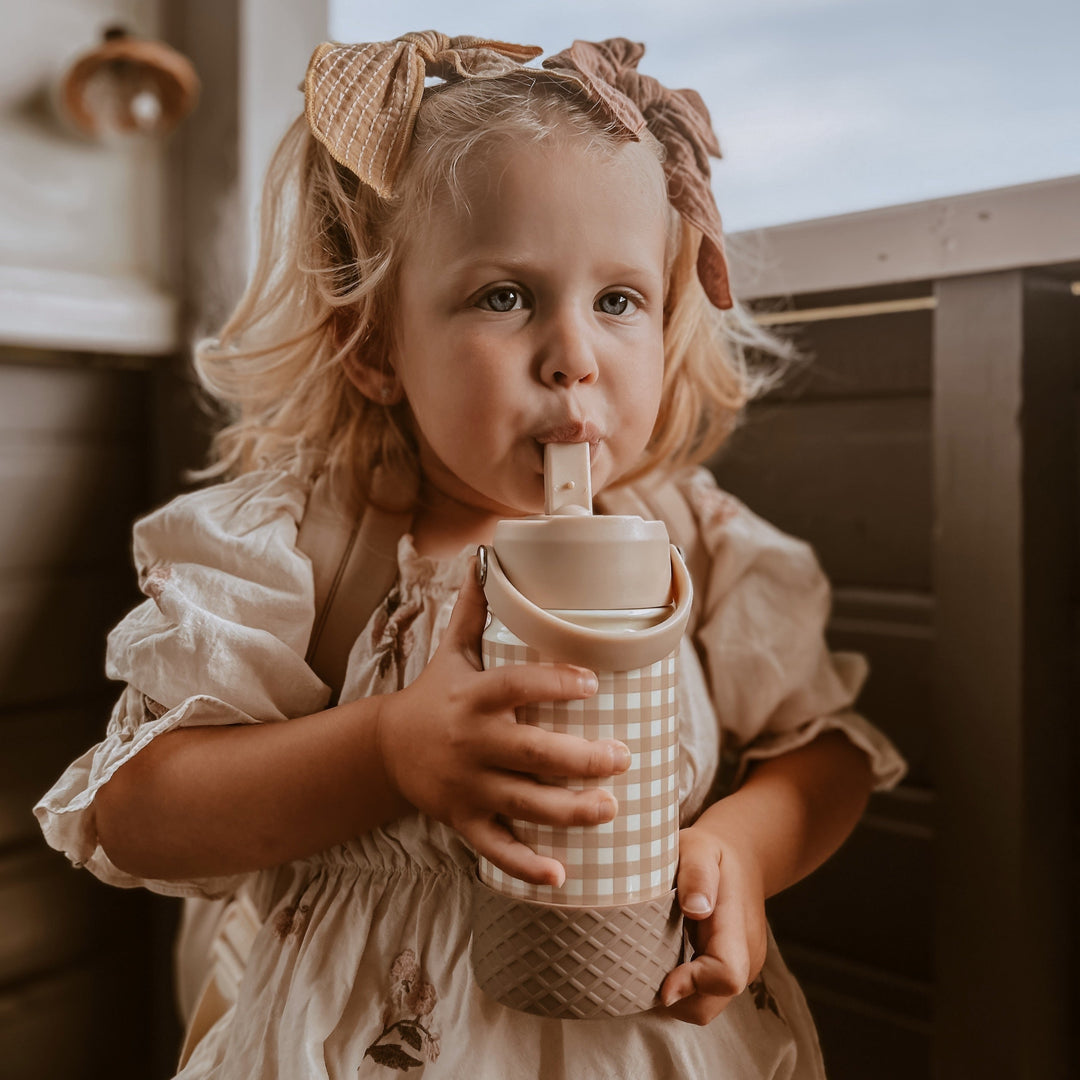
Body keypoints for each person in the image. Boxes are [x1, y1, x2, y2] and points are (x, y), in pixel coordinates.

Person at [36, 32, 906, 1079]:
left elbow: (830, 750)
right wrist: (389, 750)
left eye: (618, 300)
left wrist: (748, 848)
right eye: (506, 297)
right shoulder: (312, 547)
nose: (575, 357)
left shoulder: (700, 545)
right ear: (375, 343)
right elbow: (136, 815)